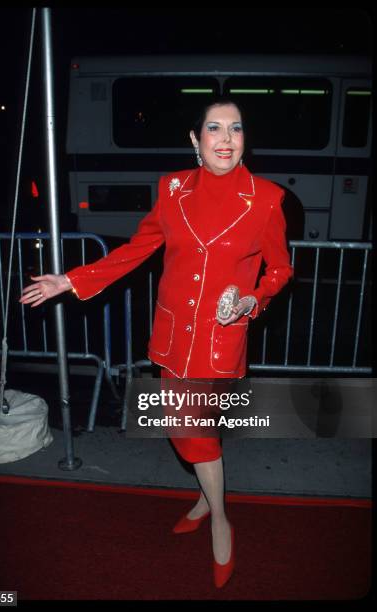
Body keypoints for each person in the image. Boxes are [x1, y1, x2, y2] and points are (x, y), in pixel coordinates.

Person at [20, 97, 293, 588]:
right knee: (183, 432)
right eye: (214, 128)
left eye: (235, 129)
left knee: (197, 436)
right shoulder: (172, 190)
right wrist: (73, 280)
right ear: (196, 139)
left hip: (219, 339)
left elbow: (280, 269)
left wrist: (253, 301)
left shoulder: (267, 199)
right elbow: (137, 249)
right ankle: (205, 500)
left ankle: (221, 519)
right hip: (173, 335)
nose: (227, 139)